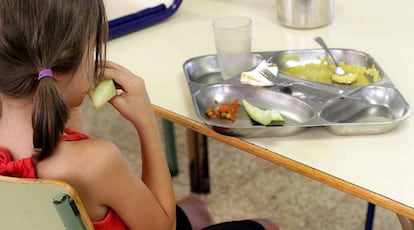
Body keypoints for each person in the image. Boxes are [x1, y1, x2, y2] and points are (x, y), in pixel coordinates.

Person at [0, 0, 279, 229]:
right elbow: (163, 226)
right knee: (265, 226)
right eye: (92, 49)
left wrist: (67, 96)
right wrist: (145, 119)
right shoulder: (95, 161)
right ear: (63, 66)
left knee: (196, 208)